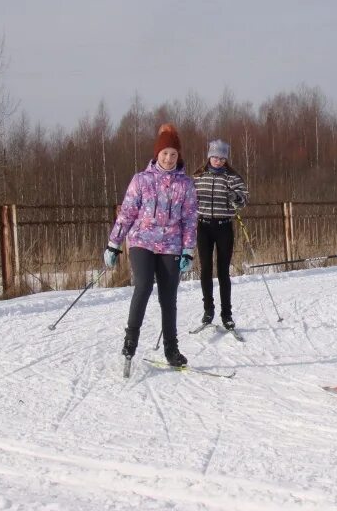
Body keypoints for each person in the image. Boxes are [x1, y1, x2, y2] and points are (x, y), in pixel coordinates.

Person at [104, 123, 198, 367]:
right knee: (144, 286)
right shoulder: (141, 180)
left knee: (169, 298)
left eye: (173, 154)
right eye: (165, 153)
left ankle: (171, 350)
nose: (168, 158)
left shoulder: (186, 184)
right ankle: (130, 344)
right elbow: (127, 213)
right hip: (141, 241)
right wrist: (114, 243)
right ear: (157, 154)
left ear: (179, 157)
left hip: (171, 245)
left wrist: (188, 249)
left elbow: (189, 219)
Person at [192, 139, 249, 330]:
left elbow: (243, 200)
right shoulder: (198, 176)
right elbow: (189, 200)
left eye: (222, 158)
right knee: (206, 269)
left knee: (223, 271)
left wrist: (236, 197)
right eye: (215, 157)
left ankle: (227, 314)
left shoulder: (232, 177)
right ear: (209, 156)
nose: (218, 161)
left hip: (224, 227)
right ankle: (208, 310)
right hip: (204, 227)